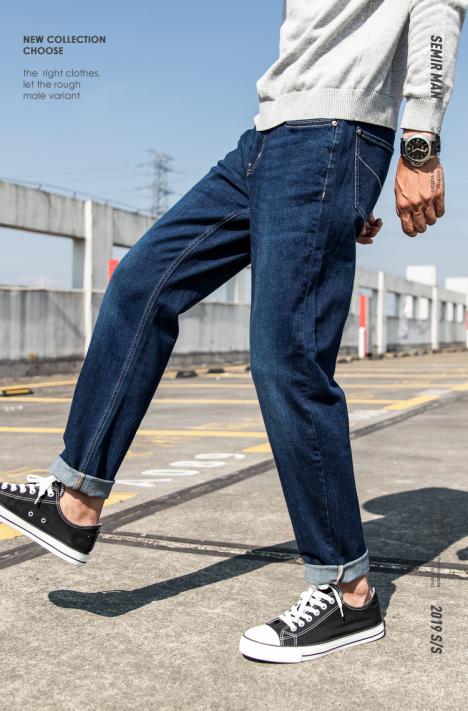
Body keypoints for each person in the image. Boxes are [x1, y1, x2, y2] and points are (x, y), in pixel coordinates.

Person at [0, 0, 466, 664]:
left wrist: (418, 145)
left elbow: (439, 8)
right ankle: (75, 500)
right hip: (269, 137)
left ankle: (347, 590)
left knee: (286, 358)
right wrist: (345, 195)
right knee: (141, 283)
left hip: (331, 135)